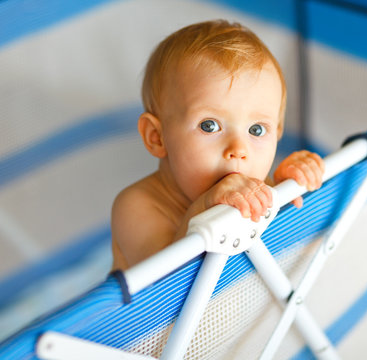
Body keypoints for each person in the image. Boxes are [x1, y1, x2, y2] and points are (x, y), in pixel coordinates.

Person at [111, 20, 325, 271]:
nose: (238, 149)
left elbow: (281, 251)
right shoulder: (137, 206)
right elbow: (161, 287)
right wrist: (205, 208)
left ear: (277, 133)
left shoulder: (254, 186)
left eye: (256, 130)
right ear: (157, 137)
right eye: (209, 126)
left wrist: (289, 190)